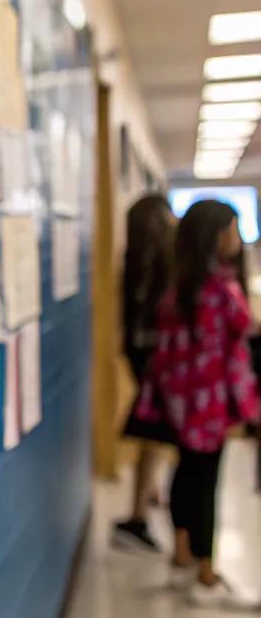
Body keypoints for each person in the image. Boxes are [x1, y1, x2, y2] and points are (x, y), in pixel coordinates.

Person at [135, 199, 259, 607]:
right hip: (209, 406)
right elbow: (237, 338)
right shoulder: (220, 290)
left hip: (180, 403)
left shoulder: (178, 289)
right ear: (216, 237)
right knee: (207, 482)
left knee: (186, 474)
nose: (238, 239)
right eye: (233, 230)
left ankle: (183, 552)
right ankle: (206, 575)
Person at [111, 193, 175, 554]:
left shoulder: (134, 259)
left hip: (139, 354)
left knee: (151, 429)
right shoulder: (164, 261)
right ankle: (139, 512)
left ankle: (149, 493)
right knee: (153, 430)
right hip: (158, 358)